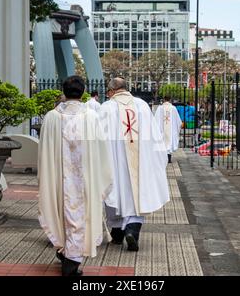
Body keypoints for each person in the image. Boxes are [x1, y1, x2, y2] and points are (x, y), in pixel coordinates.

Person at [37, 76, 113, 277]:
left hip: (59, 179)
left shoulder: (51, 117)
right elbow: (101, 149)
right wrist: (102, 177)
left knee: (61, 211)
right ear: (83, 91)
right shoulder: (90, 117)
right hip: (85, 180)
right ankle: (70, 262)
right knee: (80, 216)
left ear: (63, 91)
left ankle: (66, 253)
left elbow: (44, 151)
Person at [99, 78, 170, 252]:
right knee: (137, 194)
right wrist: (157, 159)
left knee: (115, 192)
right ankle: (132, 230)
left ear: (111, 91)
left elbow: (98, 139)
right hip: (140, 161)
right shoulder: (142, 106)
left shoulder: (106, 108)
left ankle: (117, 234)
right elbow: (154, 136)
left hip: (114, 160)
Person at [154, 96, 183, 164]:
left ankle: (162, 159)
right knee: (169, 143)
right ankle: (169, 159)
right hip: (170, 130)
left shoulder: (160, 108)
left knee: (163, 142)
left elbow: (155, 119)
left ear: (164, 99)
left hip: (162, 130)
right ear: (170, 100)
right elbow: (178, 121)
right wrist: (178, 126)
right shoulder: (173, 108)